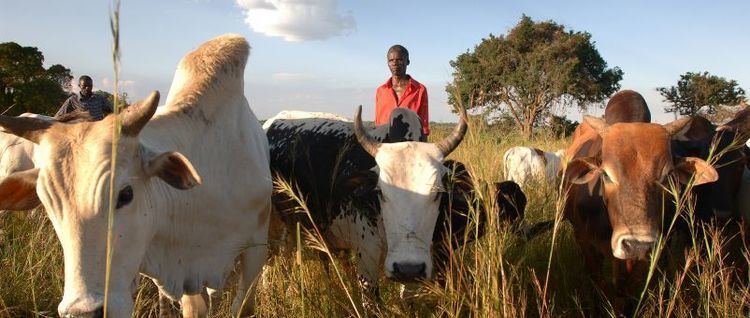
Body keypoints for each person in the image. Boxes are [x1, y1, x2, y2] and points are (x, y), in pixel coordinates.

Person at [375, 45, 429, 140]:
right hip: (384, 144)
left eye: (399, 60)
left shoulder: (420, 89)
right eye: (391, 60)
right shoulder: (381, 91)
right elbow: (378, 123)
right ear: (388, 63)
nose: (395, 63)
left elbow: (423, 126)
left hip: (409, 144)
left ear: (407, 61)